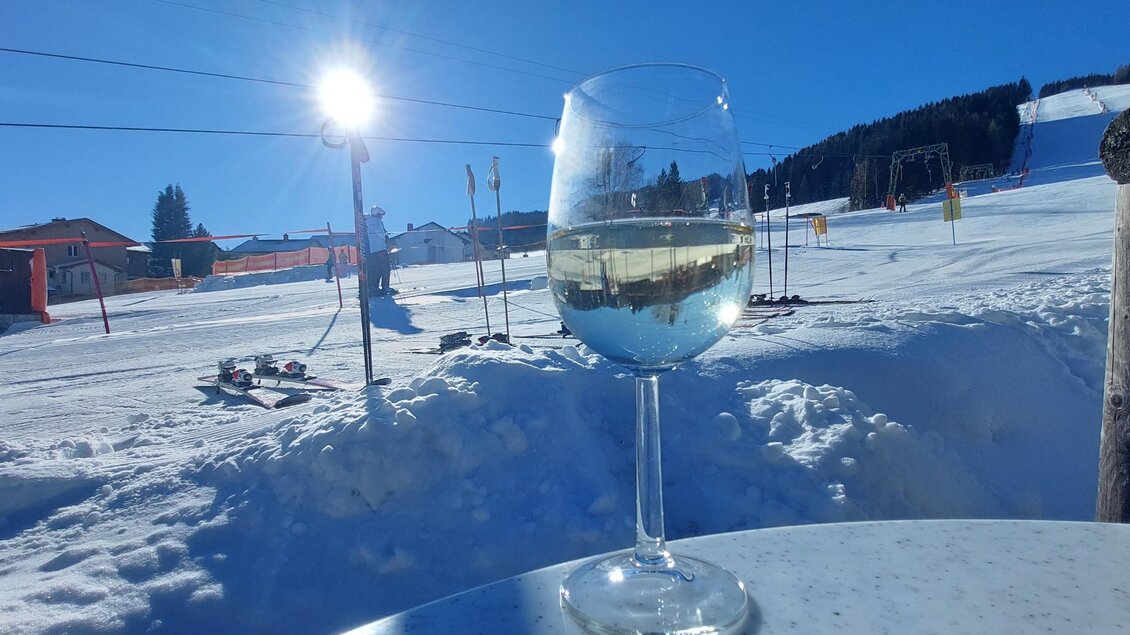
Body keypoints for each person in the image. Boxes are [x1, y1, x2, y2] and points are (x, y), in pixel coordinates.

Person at [365, 205, 392, 295]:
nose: (382, 217)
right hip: (381, 249)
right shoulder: (376, 222)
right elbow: (380, 233)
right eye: (381, 215)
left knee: (376, 269)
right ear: (377, 214)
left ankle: (373, 287)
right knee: (385, 268)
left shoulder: (368, 222)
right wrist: (385, 238)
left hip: (373, 250)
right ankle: (385, 287)